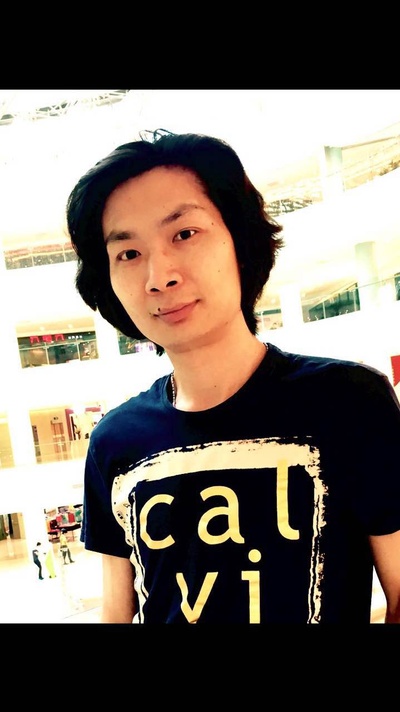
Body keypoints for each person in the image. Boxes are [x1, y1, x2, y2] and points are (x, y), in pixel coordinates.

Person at [66, 130, 400, 624]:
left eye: (184, 234)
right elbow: (117, 611)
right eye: (128, 254)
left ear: (240, 243)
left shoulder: (348, 401)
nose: (159, 276)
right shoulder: (115, 440)